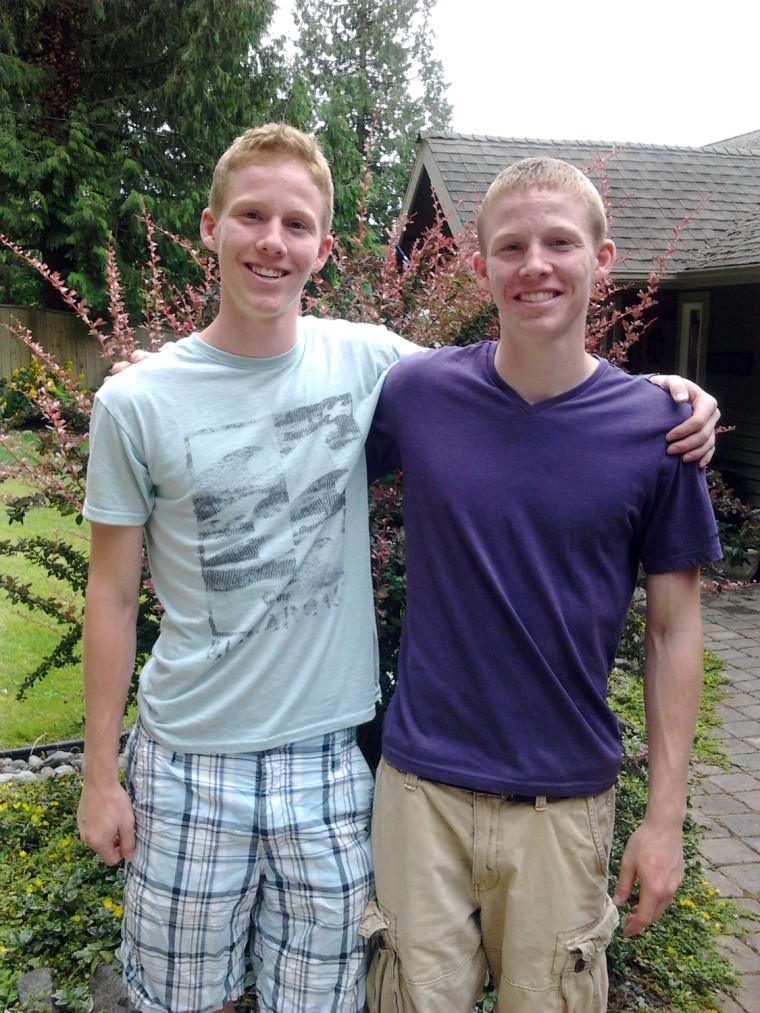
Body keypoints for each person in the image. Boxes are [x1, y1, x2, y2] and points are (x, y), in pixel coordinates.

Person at [78, 124, 717, 1013]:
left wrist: (673, 391)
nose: (272, 241)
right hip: (299, 776)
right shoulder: (162, 398)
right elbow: (116, 580)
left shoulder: (633, 428)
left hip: (439, 777)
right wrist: (101, 774)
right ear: (210, 227)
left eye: (296, 223)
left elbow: (669, 619)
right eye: (252, 216)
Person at [362, 157, 722, 1013]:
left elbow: (674, 631)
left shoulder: (660, 430)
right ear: (478, 262)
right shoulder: (417, 394)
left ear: (602, 259)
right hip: (420, 798)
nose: (535, 265)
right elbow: (288, 402)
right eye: (511, 245)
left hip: (564, 807)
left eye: (560, 242)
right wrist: (168, 373)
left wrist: (663, 818)